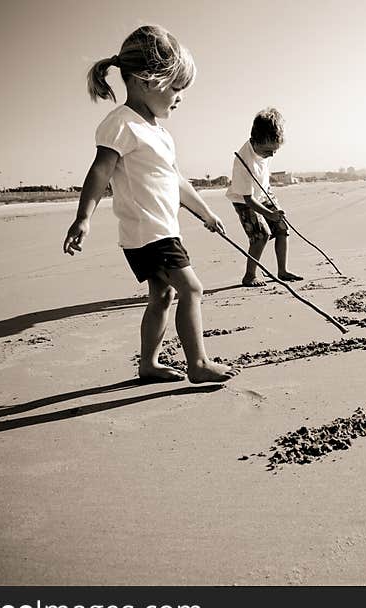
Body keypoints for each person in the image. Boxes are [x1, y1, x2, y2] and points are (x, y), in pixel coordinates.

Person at [63, 25, 238, 384]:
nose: (180, 97)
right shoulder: (121, 124)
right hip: (149, 232)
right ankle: (199, 363)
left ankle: (149, 364)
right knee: (192, 289)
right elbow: (99, 171)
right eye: (175, 88)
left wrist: (206, 213)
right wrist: (84, 217)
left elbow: (176, 181)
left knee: (163, 295)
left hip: (156, 231)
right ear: (146, 80)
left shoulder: (157, 131)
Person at [225, 108, 303, 287]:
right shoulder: (243, 162)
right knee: (261, 235)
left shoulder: (264, 147)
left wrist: (274, 213)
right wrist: (269, 214)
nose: (272, 155)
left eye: (275, 150)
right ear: (256, 139)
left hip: (264, 193)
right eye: (269, 150)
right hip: (245, 199)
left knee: (283, 227)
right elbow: (248, 200)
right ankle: (249, 275)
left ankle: (282, 271)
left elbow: (262, 176)